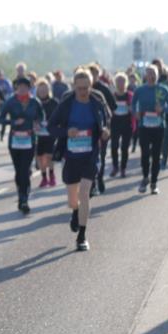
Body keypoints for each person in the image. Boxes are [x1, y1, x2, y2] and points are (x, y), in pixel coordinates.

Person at [47, 69, 109, 251]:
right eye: (79, 88)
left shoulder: (97, 103)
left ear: (90, 86)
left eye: (85, 88)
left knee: (85, 193)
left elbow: (107, 122)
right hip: (71, 156)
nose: (82, 91)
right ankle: (75, 211)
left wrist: (106, 132)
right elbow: (51, 126)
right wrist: (66, 132)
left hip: (90, 155)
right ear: (74, 87)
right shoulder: (66, 104)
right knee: (73, 201)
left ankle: (82, 236)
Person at [0, 77, 45, 214]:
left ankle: (23, 198)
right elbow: (0, 119)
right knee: (19, 171)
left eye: (25, 87)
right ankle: (22, 193)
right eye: (20, 87)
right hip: (14, 141)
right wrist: (13, 122)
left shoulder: (34, 102)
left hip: (29, 140)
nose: (22, 89)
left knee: (25, 169)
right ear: (16, 88)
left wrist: (37, 123)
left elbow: (41, 116)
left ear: (29, 88)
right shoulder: (10, 102)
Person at [132, 65, 168, 195]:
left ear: (158, 75)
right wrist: (136, 114)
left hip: (158, 127)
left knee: (156, 155)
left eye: (154, 74)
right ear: (145, 75)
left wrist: (163, 110)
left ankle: (154, 183)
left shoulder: (163, 89)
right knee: (145, 154)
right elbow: (133, 105)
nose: (151, 76)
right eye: (149, 73)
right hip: (144, 126)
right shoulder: (140, 90)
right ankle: (145, 177)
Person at [87, 64, 117, 194]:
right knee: (89, 157)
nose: (92, 77)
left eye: (94, 74)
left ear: (98, 75)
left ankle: (99, 178)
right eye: (90, 74)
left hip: (102, 129)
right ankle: (92, 182)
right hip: (87, 131)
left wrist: (105, 120)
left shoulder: (102, 90)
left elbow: (113, 106)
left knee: (101, 156)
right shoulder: (80, 90)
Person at [34, 79, 59, 187]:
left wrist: (52, 123)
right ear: (37, 91)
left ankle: (52, 175)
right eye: (40, 90)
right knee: (40, 157)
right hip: (38, 134)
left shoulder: (54, 102)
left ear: (48, 90)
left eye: (45, 89)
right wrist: (34, 123)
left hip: (51, 133)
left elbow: (60, 117)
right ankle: (44, 177)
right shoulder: (34, 103)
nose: (43, 92)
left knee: (49, 156)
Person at [109, 72, 134, 178]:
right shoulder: (112, 96)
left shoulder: (130, 95)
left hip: (126, 123)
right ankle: (115, 166)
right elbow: (108, 110)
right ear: (115, 83)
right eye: (118, 81)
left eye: (123, 82)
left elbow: (134, 109)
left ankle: (123, 168)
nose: (121, 84)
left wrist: (130, 109)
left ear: (126, 83)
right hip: (115, 123)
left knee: (124, 147)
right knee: (114, 146)